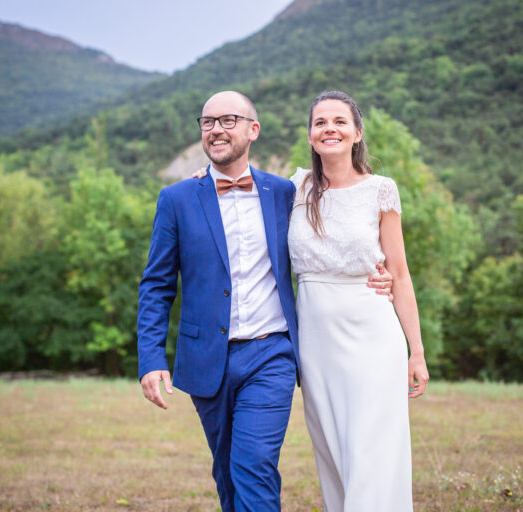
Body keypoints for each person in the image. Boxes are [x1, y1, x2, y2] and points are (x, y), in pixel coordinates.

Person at [137, 90, 393, 512]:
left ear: (253, 130)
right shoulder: (177, 199)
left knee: (254, 465)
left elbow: (339, 225)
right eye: (208, 122)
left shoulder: (283, 192)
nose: (216, 129)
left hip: (271, 355)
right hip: (207, 359)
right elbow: (156, 285)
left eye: (228, 120)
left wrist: (374, 272)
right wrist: (151, 358)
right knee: (228, 475)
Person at [288, 90, 429, 511]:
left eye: (339, 121)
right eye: (320, 122)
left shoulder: (381, 191)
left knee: (371, 451)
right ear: (311, 136)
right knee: (333, 451)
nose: (329, 128)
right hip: (315, 340)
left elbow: (399, 274)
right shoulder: (293, 190)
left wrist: (416, 352)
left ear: (357, 133)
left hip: (371, 332)